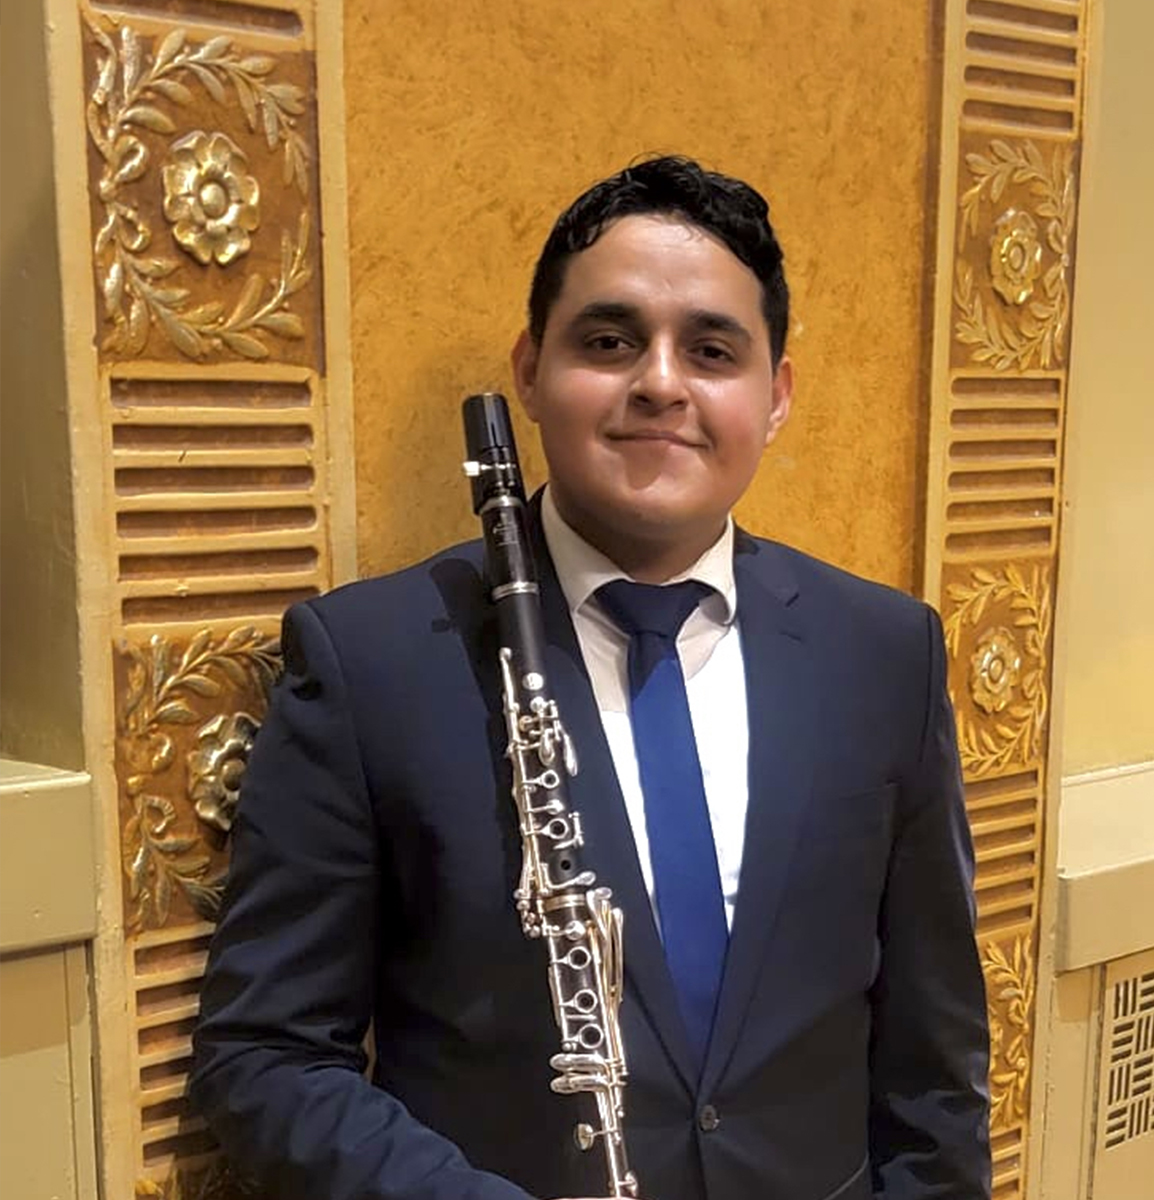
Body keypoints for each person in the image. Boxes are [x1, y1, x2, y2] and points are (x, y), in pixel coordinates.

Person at [191, 155, 991, 1200]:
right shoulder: (370, 661)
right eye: (609, 341)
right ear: (529, 370)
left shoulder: (884, 652)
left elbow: (935, 1068)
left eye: (712, 350)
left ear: (776, 396)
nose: (660, 382)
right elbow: (267, 1058)